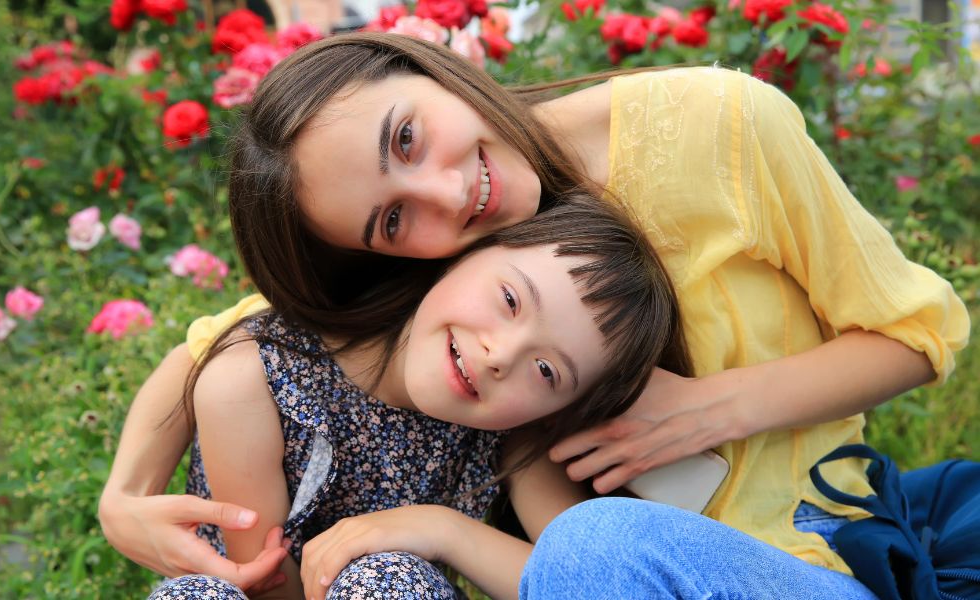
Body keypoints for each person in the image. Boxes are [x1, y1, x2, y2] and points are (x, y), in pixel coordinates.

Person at [98, 33, 970, 596]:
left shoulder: (720, 123)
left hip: (800, 556)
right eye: (391, 220)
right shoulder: (461, 250)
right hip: (592, 570)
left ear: (416, 66)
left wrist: (715, 405)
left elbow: (917, 336)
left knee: (600, 549)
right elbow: (239, 338)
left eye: (406, 137)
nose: (445, 190)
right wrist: (123, 495)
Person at [148, 194, 690, 599]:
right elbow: (264, 584)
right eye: (509, 298)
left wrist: (444, 530)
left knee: (385, 579)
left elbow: (586, 585)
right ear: (469, 250)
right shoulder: (253, 377)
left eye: (547, 370)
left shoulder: (507, 432)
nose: (501, 354)